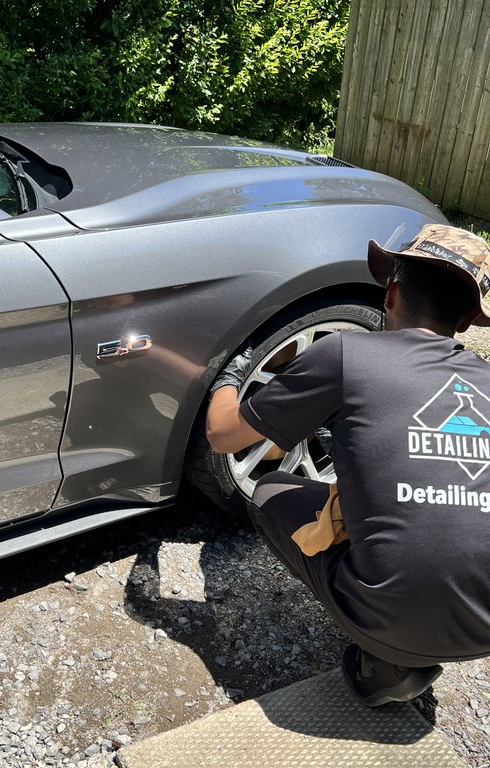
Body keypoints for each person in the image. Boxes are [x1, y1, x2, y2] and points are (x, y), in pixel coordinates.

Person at [206, 223, 490, 707]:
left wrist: (229, 376)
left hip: (396, 622)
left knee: (271, 492)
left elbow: (222, 434)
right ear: (465, 322)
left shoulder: (346, 353)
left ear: (391, 294)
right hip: (484, 628)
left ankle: (386, 663)